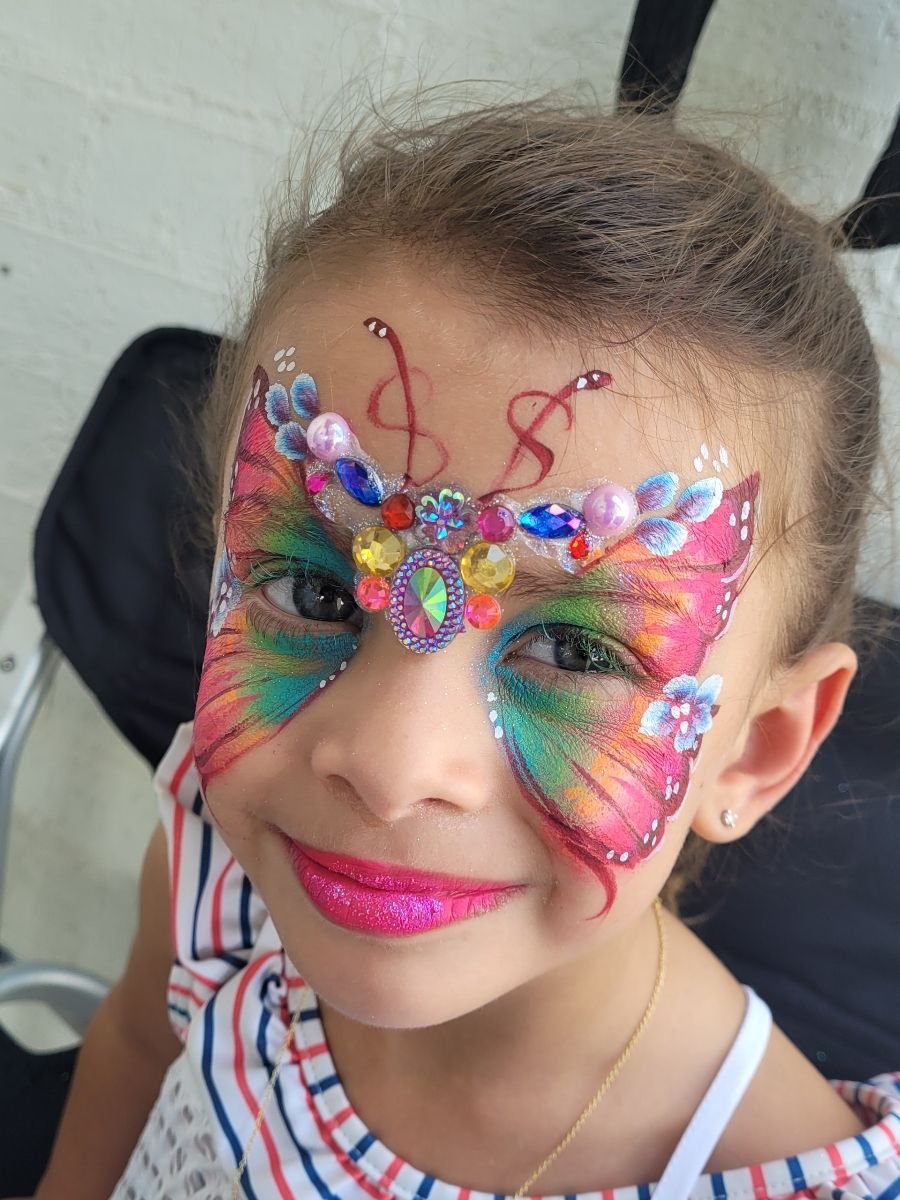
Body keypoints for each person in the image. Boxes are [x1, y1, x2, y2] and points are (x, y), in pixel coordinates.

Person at [32, 95, 900, 1200]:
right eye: (313, 587)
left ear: (756, 750)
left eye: (577, 653)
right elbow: (140, 1047)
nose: (389, 769)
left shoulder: (781, 1176)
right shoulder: (229, 859)